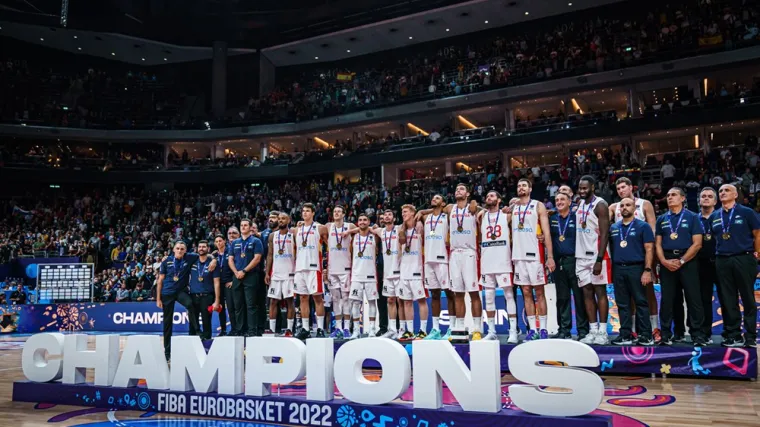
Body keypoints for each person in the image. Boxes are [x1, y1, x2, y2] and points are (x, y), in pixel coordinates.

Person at [608, 177, 661, 341]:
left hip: (641, 256)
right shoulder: (613, 209)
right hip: (621, 260)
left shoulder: (644, 204)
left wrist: (650, 265)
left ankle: (652, 329)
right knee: (624, 301)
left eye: (624, 187)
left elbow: (652, 231)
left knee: (646, 296)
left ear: (631, 187)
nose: (621, 190)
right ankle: (628, 332)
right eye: (618, 189)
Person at [709, 184, 759, 348]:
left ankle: (750, 336)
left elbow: (757, 234)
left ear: (736, 194)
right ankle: (733, 335)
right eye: (721, 191)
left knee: (748, 298)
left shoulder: (747, 212)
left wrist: (757, 253)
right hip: (722, 260)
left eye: (727, 190)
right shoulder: (715, 215)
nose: (723, 193)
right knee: (727, 299)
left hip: (743, 258)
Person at [655, 187, 706, 346]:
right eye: (668, 195)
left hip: (688, 260)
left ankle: (697, 334)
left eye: (674, 195)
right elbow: (657, 243)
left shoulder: (693, 217)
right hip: (667, 260)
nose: (670, 197)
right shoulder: (661, 219)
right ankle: (666, 334)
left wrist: (682, 261)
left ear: (683, 198)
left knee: (693, 298)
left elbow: (697, 244)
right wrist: (663, 261)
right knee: (668, 300)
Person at [512, 178, 555, 340]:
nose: (521, 187)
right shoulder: (513, 207)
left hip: (535, 255)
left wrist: (549, 256)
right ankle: (532, 330)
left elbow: (547, 232)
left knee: (539, 292)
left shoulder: (538, 205)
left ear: (530, 189)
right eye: (518, 185)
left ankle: (543, 329)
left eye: (524, 185)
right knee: (526, 292)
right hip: (518, 256)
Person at [477, 190, 518, 343]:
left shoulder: (507, 215)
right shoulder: (481, 216)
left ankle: (513, 331)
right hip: (487, 261)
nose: (489, 198)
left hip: (503, 260)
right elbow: (473, 207)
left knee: (509, 295)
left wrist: (511, 207)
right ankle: (491, 331)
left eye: (492, 196)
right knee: (488, 297)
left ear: (499, 200)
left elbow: (520, 206)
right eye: (487, 196)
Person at [576, 175, 611, 345]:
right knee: (587, 293)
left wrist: (599, 259)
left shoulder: (601, 205)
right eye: (580, 188)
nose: (582, 191)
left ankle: (603, 332)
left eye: (585, 188)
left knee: (600, 292)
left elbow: (605, 233)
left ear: (592, 187)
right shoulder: (580, 203)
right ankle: (593, 330)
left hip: (597, 256)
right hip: (581, 256)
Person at [549, 191, 589, 340]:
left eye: (562, 199)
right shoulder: (552, 218)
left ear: (569, 201)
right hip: (559, 262)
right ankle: (564, 330)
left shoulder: (577, 217)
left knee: (579, 297)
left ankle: (582, 330)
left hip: (575, 260)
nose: (559, 202)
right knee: (562, 297)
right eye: (557, 199)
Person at [156, 240, 201, 361]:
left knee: (190, 304)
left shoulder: (190, 257)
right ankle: (167, 352)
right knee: (167, 323)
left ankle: (197, 331)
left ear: (185, 250)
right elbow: (160, 280)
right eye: (178, 248)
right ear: (173, 249)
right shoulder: (166, 261)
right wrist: (158, 298)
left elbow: (204, 254)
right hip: (167, 293)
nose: (180, 250)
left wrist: (212, 259)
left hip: (181, 291)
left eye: (182, 249)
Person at [420, 195, 453, 340]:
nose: (434, 199)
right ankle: (435, 329)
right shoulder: (426, 218)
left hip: (442, 259)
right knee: (434, 295)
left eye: (437, 198)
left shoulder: (447, 216)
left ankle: (452, 328)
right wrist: (423, 212)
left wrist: (438, 208)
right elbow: (419, 213)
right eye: (432, 198)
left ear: (443, 202)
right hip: (428, 260)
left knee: (449, 293)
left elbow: (452, 207)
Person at [294, 203, 327, 340]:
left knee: (317, 298)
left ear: (313, 213)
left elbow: (329, 246)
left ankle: (320, 328)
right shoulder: (297, 230)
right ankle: (306, 328)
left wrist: (327, 266)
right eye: (303, 211)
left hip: (314, 268)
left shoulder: (320, 227)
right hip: (300, 268)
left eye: (308, 211)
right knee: (303, 298)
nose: (305, 213)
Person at [228, 219, 264, 337]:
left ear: (250, 227)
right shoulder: (235, 243)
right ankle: (240, 329)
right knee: (238, 305)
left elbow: (257, 258)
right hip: (237, 276)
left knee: (251, 304)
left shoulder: (256, 241)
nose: (243, 227)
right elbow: (230, 259)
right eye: (241, 225)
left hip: (251, 275)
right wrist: (236, 272)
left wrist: (244, 271)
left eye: (245, 225)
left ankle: (252, 330)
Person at [398, 204, 429, 340]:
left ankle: (423, 330)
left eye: (405, 212)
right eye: (402, 212)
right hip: (404, 270)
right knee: (407, 302)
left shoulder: (420, 226)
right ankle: (409, 331)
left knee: (421, 300)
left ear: (412, 213)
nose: (403, 214)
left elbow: (435, 211)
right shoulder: (401, 229)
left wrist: (421, 213)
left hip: (418, 270)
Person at [346, 214, 380, 339]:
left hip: (371, 275)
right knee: (355, 303)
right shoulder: (353, 237)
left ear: (369, 222)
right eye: (360, 220)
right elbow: (350, 252)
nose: (362, 222)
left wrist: (371, 228)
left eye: (365, 220)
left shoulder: (374, 236)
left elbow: (375, 229)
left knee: (372, 301)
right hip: (356, 275)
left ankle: (372, 329)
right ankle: (356, 330)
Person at [324, 206, 355, 339]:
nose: (336, 213)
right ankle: (338, 328)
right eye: (334, 211)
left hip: (346, 268)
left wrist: (350, 232)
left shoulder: (350, 225)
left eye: (339, 211)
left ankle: (347, 328)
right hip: (332, 269)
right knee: (336, 299)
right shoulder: (328, 226)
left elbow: (364, 228)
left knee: (346, 299)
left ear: (344, 214)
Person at [265, 212, 296, 336]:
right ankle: (272, 329)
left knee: (289, 301)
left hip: (290, 273)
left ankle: (289, 329)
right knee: (273, 301)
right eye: (279, 218)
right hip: (276, 273)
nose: (281, 220)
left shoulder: (293, 234)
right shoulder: (272, 236)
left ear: (288, 220)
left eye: (283, 218)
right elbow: (270, 254)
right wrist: (267, 272)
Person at [696, 187, 718, 344]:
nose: (706, 198)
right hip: (700, 263)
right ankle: (705, 333)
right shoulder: (693, 219)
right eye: (703, 196)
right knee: (703, 300)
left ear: (715, 201)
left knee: (727, 298)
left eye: (710, 196)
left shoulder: (722, 217)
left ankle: (732, 333)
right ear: (699, 200)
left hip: (721, 262)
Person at [188, 240, 221, 340]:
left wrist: (217, 300)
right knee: (192, 323)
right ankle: (192, 345)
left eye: (204, 247)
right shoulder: (192, 261)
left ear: (208, 249)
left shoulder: (212, 264)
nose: (201, 249)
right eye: (200, 247)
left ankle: (207, 345)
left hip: (207, 297)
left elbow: (216, 282)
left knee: (207, 322)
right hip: (193, 296)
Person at [214, 227, 239, 336]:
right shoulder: (214, 255)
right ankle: (223, 329)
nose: (219, 243)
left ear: (224, 241)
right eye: (216, 241)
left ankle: (234, 329)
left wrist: (233, 281)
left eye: (220, 240)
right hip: (218, 285)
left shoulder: (230, 251)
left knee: (231, 307)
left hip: (229, 283)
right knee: (220, 308)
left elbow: (236, 266)